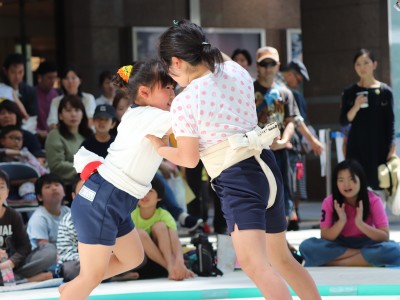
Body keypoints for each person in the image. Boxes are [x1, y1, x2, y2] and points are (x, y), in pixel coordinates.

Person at [147, 19, 320, 300]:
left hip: (237, 177)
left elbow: (188, 159)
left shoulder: (185, 100)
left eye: (168, 67)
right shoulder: (235, 70)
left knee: (255, 265)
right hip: (266, 165)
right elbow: (218, 63)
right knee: (282, 259)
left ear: (176, 61)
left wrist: (159, 147)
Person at [58, 60, 175, 300]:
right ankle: (76, 289)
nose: (175, 94)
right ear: (144, 92)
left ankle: (74, 288)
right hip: (102, 200)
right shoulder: (151, 115)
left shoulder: (142, 112)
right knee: (92, 275)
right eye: (169, 88)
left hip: (112, 199)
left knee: (132, 258)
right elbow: (188, 121)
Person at [300, 159, 400, 267]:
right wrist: (341, 221)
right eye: (341, 180)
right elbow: (325, 236)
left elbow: (384, 236)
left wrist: (361, 224)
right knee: (307, 246)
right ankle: (363, 259)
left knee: (394, 249)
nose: (346, 185)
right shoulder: (329, 201)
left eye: (351, 179)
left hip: (368, 243)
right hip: (340, 244)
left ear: (360, 180)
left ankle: (334, 262)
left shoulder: (374, 200)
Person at [57, 175, 139, 282]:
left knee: (134, 256)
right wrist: (100, 258)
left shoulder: (107, 213)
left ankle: (105, 274)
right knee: (73, 269)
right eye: (84, 192)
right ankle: (110, 276)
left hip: (104, 257)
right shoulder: (71, 218)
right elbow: (70, 252)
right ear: (74, 196)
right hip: (77, 261)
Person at [339, 48, 395, 201]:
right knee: (357, 186)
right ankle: (359, 222)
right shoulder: (350, 92)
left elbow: (389, 122)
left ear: (374, 65)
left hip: (378, 148)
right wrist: (356, 106)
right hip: (356, 147)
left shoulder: (384, 91)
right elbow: (344, 120)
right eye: (358, 64)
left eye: (366, 63)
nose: (362, 67)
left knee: (378, 188)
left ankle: (378, 223)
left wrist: (391, 145)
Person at [131, 176, 194, 280]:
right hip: (140, 260)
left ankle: (172, 266)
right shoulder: (131, 214)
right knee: (139, 233)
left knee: (160, 226)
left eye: (150, 191)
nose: (145, 195)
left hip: (159, 259)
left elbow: (175, 240)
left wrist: (180, 262)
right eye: (142, 191)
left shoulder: (164, 215)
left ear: (159, 197)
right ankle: (170, 268)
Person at [0, 170, 54, 284]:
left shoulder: (14, 216)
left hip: (14, 265)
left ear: (7, 192)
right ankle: (29, 280)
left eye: (1, 187)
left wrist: (11, 262)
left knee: (49, 251)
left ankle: (13, 279)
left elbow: (24, 247)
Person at [45, 95, 93, 202]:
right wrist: (86, 169)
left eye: (77, 110)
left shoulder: (89, 135)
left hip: (90, 184)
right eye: (68, 110)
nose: (73, 114)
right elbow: (57, 165)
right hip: (66, 188)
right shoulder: (55, 135)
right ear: (60, 116)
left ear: (82, 114)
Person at [47, 65, 96, 130]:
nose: (70, 81)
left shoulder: (88, 98)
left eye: (73, 78)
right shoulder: (56, 101)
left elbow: (90, 120)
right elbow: (52, 124)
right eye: (66, 78)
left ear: (80, 80)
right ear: (62, 81)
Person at [1, 53, 35, 120]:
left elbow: (32, 115)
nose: (17, 77)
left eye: (20, 72)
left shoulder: (29, 91)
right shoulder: (3, 89)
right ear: (5, 71)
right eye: (13, 72)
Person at [35, 61, 59, 142]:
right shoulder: (32, 93)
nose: (53, 81)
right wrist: (37, 131)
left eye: (54, 77)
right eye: (49, 78)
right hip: (37, 137)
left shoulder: (57, 94)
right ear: (40, 77)